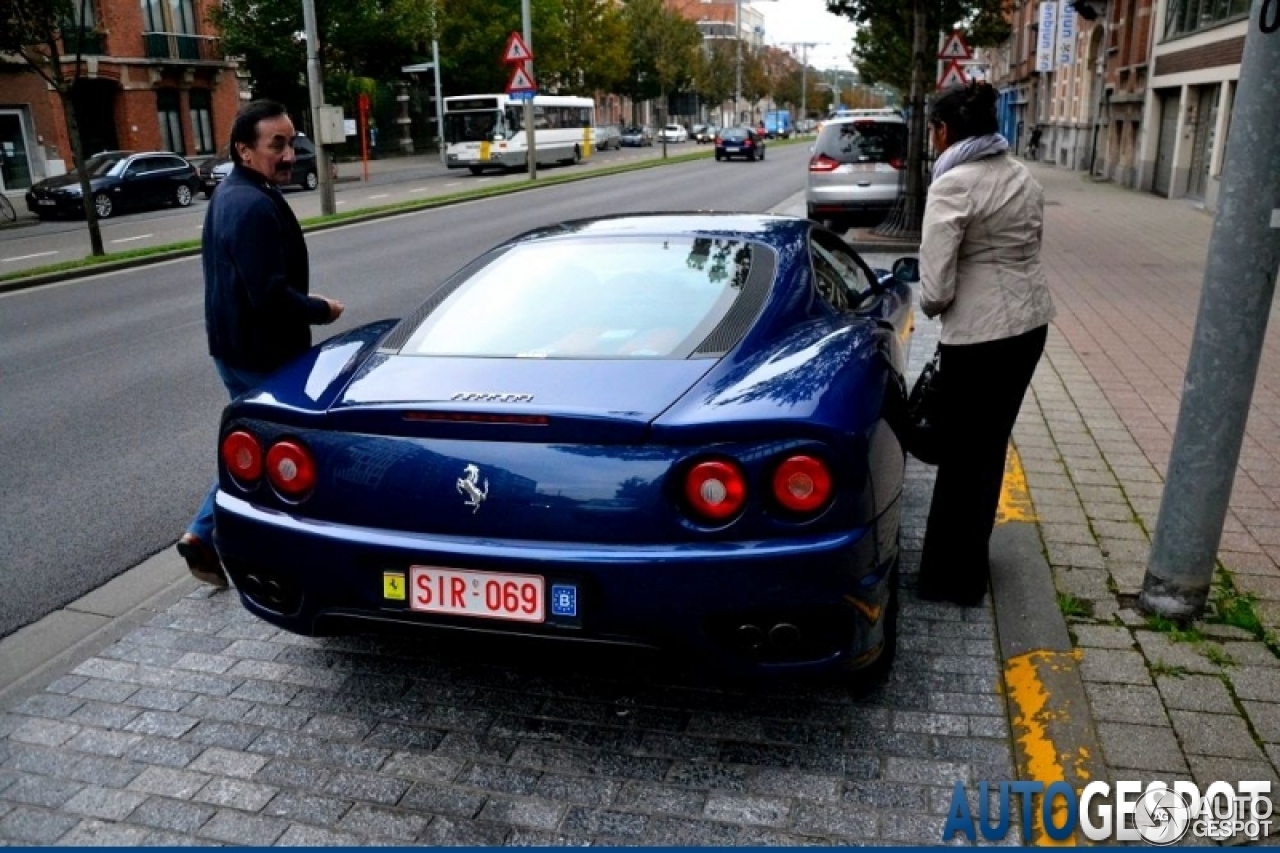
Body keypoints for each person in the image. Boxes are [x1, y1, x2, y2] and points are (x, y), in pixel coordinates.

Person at [177, 100, 344, 587]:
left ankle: (204, 535)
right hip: (261, 353)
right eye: (277, 144)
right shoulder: (249, 204)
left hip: (235, 348)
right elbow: (267, 294)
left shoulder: (235, 193)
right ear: (245, 150)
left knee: (255, 447)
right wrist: (319, 308)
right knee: (279, 449)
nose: (289, 153)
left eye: (291, 142)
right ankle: (262, 545)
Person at [915, 83, 1056, 606]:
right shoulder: (1022, 175)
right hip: (1028, 328)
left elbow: (933, 291)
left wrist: (938, 304)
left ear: (944, 130)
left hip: (979, 336)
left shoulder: (954, 185)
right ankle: (969, 561)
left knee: (959, 456)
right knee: (988, 449)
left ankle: (951, 580)